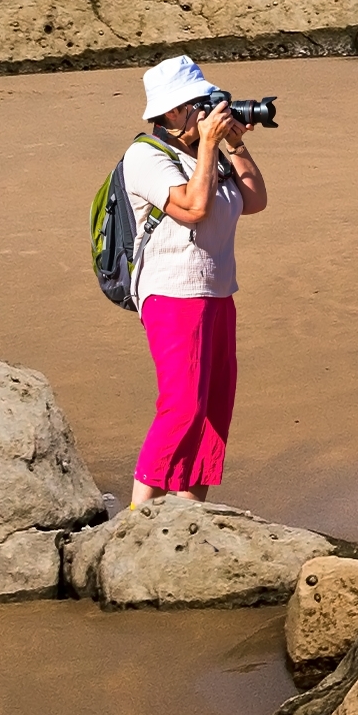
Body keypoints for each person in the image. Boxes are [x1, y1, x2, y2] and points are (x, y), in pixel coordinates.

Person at [120, 53, 269, 498]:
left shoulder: (211, 156)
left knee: (212, 409)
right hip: (171, 294)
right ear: (170, 112)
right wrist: (207, 147)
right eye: (197, 103)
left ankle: (190, 515)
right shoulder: (145, 156)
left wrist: (236, 145)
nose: (206, 111)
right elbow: (193, 208)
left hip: (218, 293)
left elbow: (256, 200)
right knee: (182, 407)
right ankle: (137, 515)